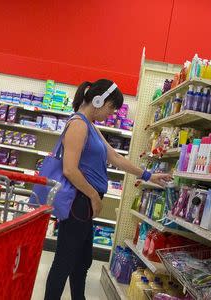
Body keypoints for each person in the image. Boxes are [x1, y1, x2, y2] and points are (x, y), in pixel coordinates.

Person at [44, 79, 172, 300]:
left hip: (83, 203)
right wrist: (93, 196)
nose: (111, 114)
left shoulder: (90, 125)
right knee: (64, 261)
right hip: (79, 201)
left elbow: (114, 156)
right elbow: (69, 170)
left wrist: (149, 175)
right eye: (111, 108)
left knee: (81, 261)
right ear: (98, 100)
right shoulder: (78, 124)